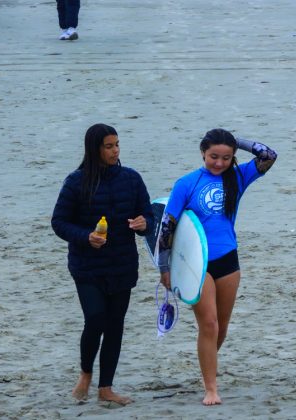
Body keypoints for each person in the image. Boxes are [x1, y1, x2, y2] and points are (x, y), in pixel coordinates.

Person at [157, 128, 277, 405]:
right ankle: (211, 387)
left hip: (228, 260)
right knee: (208, 324)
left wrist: (238, 142)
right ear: (202, 153)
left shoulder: (238, 177)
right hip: (195, 263)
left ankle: (206, 365)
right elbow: (168, 226)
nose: (219, 163)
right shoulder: (186, 183)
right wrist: (164, 268)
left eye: (226, 157)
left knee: (221, 327)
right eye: (213, 156)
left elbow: (268, 155)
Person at [52, 123, 154, 406]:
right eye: (109, 146)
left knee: (115, 325)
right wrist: (86, 237)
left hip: (122, 264)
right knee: (95, 318)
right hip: (87, 266)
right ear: (95, 148)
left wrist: (144, 223)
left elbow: (148, 215)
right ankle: (86, 372)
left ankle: (105, 387)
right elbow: (58, 222)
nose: (115, 151)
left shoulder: (132, 179)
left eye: (117, 144)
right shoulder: (76, 181)